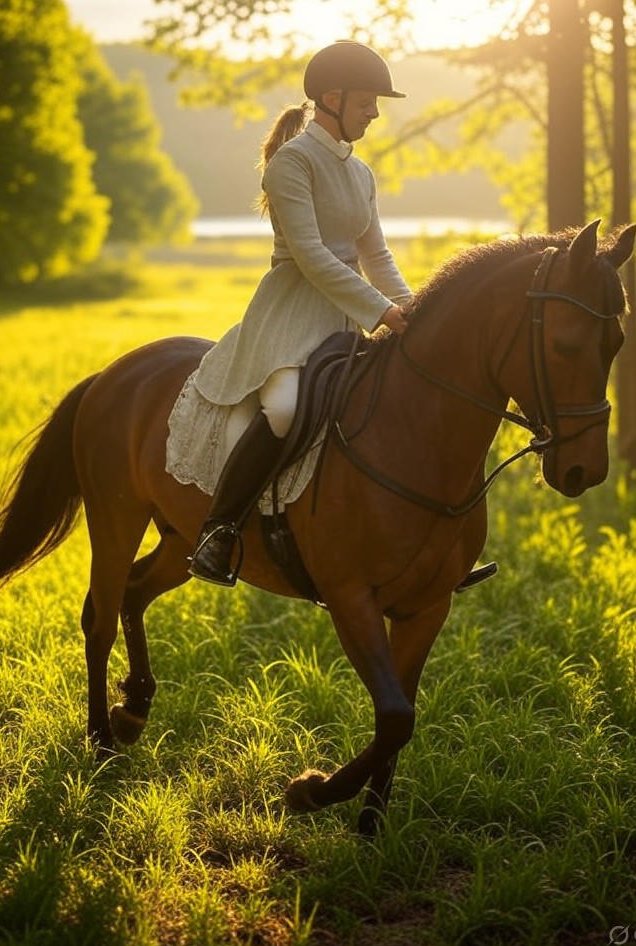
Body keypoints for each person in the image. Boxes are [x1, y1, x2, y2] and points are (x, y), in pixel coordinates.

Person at [187, 40, 412, 586]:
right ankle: (219, 532)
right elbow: (311, 257)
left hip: (343, 318)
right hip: (289, 315)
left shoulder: (360, 174)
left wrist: (410, 305)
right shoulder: (292, 164)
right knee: (285, 409)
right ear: (332, 99)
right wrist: (380, 311)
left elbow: (374, 254)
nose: (375, 113)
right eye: (367, 102)